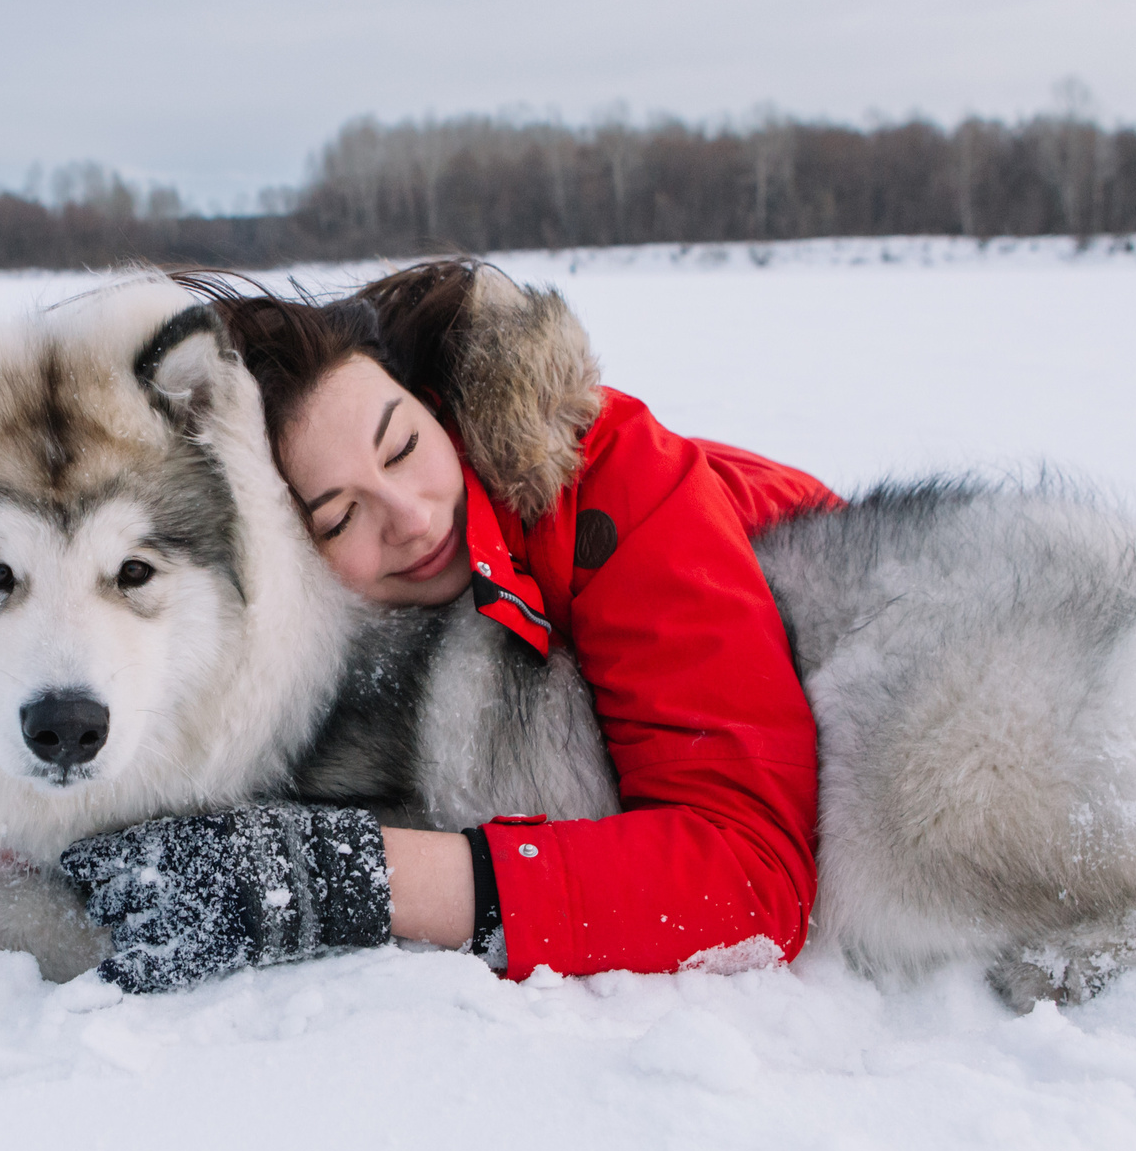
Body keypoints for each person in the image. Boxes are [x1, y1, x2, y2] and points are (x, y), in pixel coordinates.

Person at [59, 258, 841, 992]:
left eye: (402, 446)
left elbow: (754, 879)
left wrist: (340, 876)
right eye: (340, 518)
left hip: (860, 622)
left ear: (431, 405)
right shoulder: (296, 617)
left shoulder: (615, 485)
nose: (409, 515)